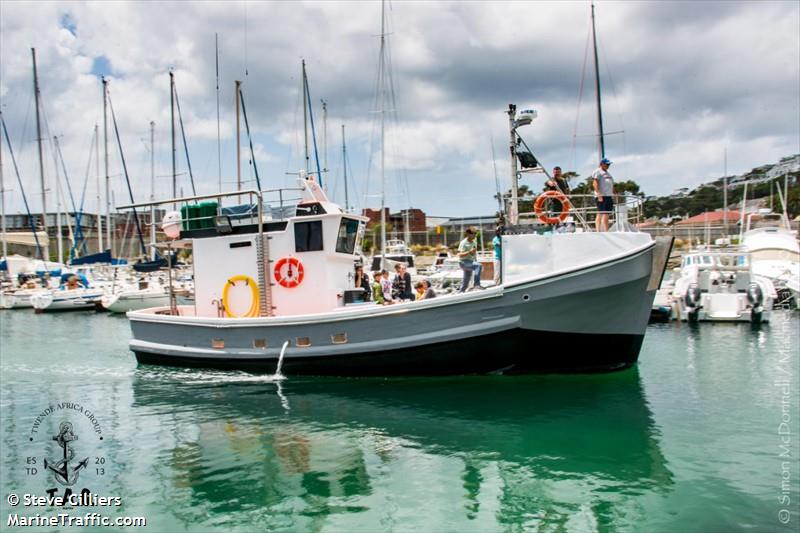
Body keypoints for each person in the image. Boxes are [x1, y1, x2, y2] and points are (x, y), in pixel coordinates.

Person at [592, 157, 615, 232]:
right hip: (602, 196)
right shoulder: (598, 171)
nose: (608, 165)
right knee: (602, 212)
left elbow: (610, 184)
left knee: (606, 213)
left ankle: (605, 229)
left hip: (608, 196)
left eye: (609, 164)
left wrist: (614, 193)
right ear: (602, 164)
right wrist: (599, 194)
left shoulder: (608, 173)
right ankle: (601, 230)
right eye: (607, 164)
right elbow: (595, 183)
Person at [457, 228, 483, 292]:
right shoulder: (463, 243)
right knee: (478, 266)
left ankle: (461, 292)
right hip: (463, 262)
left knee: (466, 281)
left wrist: (473, 253)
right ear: (468, 234)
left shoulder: (474, 242)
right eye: (473, 234)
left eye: (475, 234)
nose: (475, 235)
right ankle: (477, 284)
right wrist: (469, 252)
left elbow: (473, 254)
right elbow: (459, 255)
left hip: (470, 262)